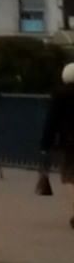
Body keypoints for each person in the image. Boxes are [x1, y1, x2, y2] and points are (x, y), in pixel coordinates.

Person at [41, 62, 74, 230]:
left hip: (69, 141)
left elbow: (51, 122)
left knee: (69, 177)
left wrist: (45, 144)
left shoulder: (60, 95)